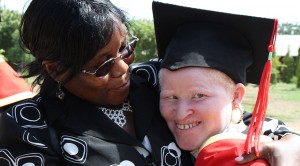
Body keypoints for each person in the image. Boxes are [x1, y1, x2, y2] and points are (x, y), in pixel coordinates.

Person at [0, 0, 194, 165]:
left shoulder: (157, 80)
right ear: (56, 69)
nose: (123, 70)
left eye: (125, 49)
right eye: (103, 65)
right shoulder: (28, 128)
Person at [152, 1, 300, 165]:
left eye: (199, 95)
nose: (181, 113)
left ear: (236, 97)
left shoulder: (256, 148)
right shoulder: (149, 127)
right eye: (171, 97)